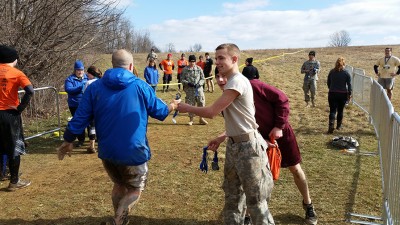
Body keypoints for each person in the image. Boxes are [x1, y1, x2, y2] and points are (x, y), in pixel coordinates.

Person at [57, 49, 180, 225]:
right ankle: (118, 219)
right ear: (131, 66)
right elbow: (160, 112)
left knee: (119, 184)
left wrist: (68, 140)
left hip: (107, 151)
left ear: (113, 65)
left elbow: (80, 117)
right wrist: (173, 105)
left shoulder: (94, 87)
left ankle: (119, 218)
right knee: (135, 188)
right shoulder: (140, 85)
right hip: (133, 151)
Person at [177, 43, 274, 225]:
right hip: (235, 146)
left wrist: (184, 107)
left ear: (234, 59)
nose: (217, 61)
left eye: (221, 58)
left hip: (249, 149)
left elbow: (212, 112)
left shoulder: (237, 81)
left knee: (256, 203)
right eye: (216, 58)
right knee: (232, 198)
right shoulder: (231, 82)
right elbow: (240, 119)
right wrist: (223, 137)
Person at [247, 76, 318, 225]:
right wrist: (260, 139)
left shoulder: (255, 86)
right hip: (259, 139)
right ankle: (248, 214)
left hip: (282, 134)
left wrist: (279, 125)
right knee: (255, 176)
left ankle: (308, 204)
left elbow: (282, 99)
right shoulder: (230, 95)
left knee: (295, 169)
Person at [0, 45, 34, 191]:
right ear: (13, 59)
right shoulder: (16, 73)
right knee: (13, 148)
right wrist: (20, 108)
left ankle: (2, 174)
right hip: (10, 114)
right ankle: (14, 181)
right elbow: (30, 91)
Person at [64, 60, 89, 147]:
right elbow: (68, 89)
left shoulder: (87, 77)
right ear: (75, 70)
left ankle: (91, 139)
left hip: (87, 104)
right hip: (75, 104)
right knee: (79, 122)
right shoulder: (70, 79)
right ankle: (81, 140)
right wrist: (81, 86)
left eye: (81, 70)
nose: (80, 72)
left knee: (90, 121)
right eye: (78, 70)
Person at [180, 55, 208, 126]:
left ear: (195, 62)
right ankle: (191, 120)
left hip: (199, 90)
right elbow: (182, 80)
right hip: (189, 91)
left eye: (193, 61)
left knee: (201, 103)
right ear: (189, 61)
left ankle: (201, 118)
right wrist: (188, 83)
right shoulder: (185, 69)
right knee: (190, 105)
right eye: (191, 61)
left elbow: (202, 78)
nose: (192, 63)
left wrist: (199, 83)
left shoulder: (199, 69)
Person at [327, 57, 352, 134]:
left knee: (332, 110)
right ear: (344, 64)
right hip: (342, 94)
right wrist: (349, 94)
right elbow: (349, 85)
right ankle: (339, 126)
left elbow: (328, 82)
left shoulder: (332, 71)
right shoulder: (346, 73)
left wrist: (331, 88)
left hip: (332, 93)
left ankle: (331, 126)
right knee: (340, 110)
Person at [83, 66, 103, 153]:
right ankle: (101, 146)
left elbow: (84, 95)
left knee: (91, 127)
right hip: (101, 107)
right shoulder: (102, 82)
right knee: (101, 126)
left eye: (88, 73)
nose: (87, 75)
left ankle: (92, 146)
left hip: (91, 107)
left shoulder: (88, 83)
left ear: (91, 74)